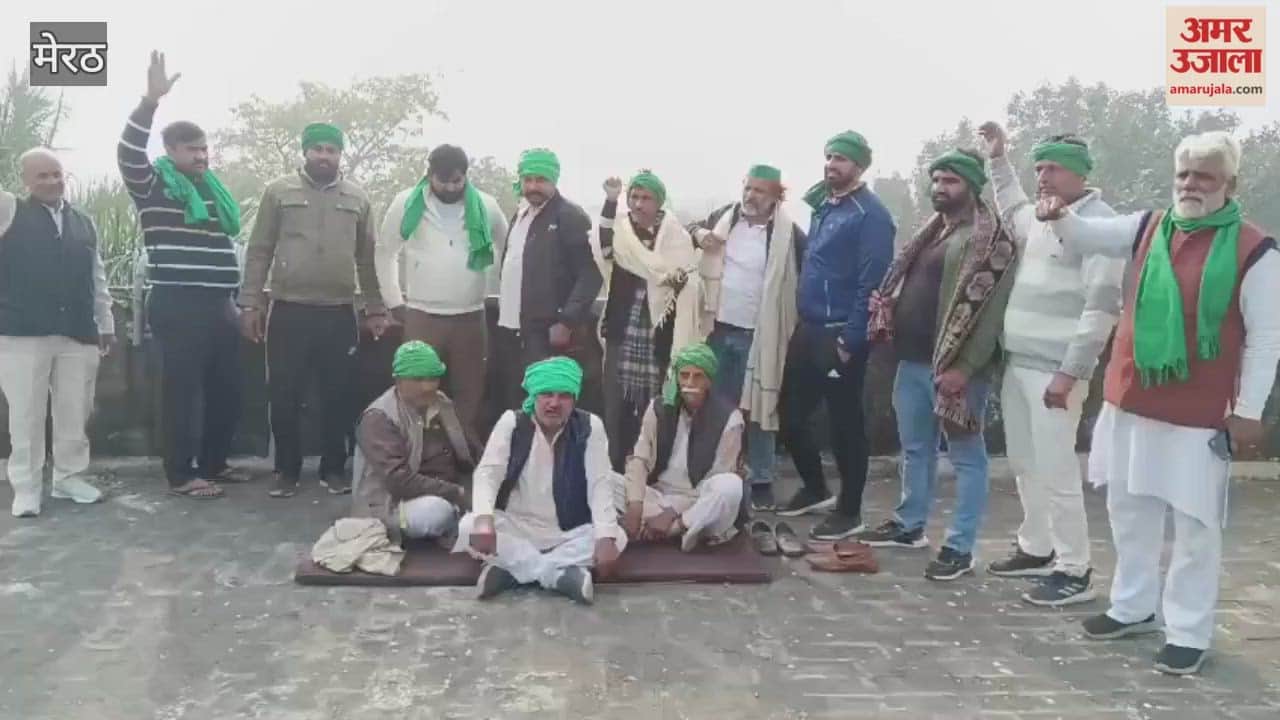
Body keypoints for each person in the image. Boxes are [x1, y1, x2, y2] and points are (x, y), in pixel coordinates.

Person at [1038, 130, 1279, 676]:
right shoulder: (1150, 225)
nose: (1191, 185)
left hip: (1200, 412)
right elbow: (1086, 235)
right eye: (1185, 175)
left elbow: (1267, 339)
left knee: (1195, 525)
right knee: (1129, 509)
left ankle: (1189, 631)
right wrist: (1058, 214)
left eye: (1205, 177)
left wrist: (1248, 411)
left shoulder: (1256, 249)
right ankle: (1132, 606)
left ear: (1229, 184)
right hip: (1131, 399)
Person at [978, 123, 1126, 606]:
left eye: (1053, 168)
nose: (1042, 176)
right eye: (1038, 167)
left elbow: (1102, 306)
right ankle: (1036, 546)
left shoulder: (1099, 225)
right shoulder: (1040, 217)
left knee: (1058, 469)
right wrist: (998, 159)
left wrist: (1071, 372)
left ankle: (1074, 568)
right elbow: (1011, 205)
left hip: (1056, 371)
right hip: (1018, 363)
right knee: (1025, 462)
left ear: (1079, 173)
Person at [858, 149, 1018, 581]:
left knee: (966, 455)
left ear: (970, 185)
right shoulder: (932, 232)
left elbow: (989, 312)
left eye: (950, 181)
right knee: (915, 449)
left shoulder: (990, 239)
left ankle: (960, 547)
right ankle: (910, 526)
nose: (940, 188)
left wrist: (964, 367)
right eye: (936, 180)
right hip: (911, 361)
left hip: (955, 368)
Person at [118, 51, 244, 499]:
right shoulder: (153, 185)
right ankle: (181, 474)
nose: (202, 155)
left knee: (227, 388)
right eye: (192, 149)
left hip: (220, 303)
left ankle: (214, 463)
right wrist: (149, 102)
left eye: (205, 148)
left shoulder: (213, 193)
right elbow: (128, 151)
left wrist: (234, 302)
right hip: (177, 301)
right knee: (182, 394)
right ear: (170, 152)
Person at [239, 122, 387, 498]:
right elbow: (259, 250)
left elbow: (367, 259)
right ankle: (286, 471)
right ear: (305, 152)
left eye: (331, 150)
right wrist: (251, 302)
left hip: (338, 312)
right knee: (284, 392)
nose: (324, 156)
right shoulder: (279, 192)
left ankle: (333, 469)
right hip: (289, 309)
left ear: (341, 154)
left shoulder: (357, 197)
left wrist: (374, 307)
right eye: (317, 149)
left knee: (338, 394)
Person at [777, 131, 895, 539]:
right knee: (789, 414)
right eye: (829, 156)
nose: (832, 164)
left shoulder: (871, 215)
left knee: (845, 425)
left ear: (859, 166)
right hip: (808, 327)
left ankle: (850, 511)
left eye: (841, 159)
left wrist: (851, 338)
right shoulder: (825, 205)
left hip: (841, 333)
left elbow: (873, 282)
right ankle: (815, 487)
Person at [0, 149, 113, 517]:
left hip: (77, 332)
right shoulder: (9, 212)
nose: (51, 182)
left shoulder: (83, 222)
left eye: (56, 174)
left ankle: (68, 478)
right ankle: (27, 487)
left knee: (74, 411)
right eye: (41, 176)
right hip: (22, 333)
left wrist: (105, 323)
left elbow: (97, 278)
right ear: (26, 181)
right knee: (26, 415)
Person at [456, 357, 624, 604]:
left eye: (564, 395)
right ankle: (556, 576)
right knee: (468, 526)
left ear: (574, 399)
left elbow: (600, 484)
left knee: (616, 537)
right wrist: (483, 519)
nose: (554, 403)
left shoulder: (590, 426)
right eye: (546, 394)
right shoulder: (512, 422)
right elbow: (487, 474)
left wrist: (606, 537)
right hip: (517, 525)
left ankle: (511, 571)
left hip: (570, 530)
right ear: (534, 396)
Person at [688, 164, 805, 512]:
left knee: (759, 409)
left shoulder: (788, 234)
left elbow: (802, 275)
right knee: (715, 406)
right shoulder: (726, 217)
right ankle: (716, 473)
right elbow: (690, 229)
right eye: (748, 188)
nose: (751, 196)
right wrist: (698, 235)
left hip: (760, 334)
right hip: (716, 328)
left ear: (775, 197)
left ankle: (762, 479)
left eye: (760, 191)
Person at [375, 144, 509, 441]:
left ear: (466, 176)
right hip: (422, 314)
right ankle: (415, 449)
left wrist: (504, 296)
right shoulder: (405, 203)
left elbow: (508, 250)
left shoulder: (486, 205)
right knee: (415, 386)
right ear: (430, 174)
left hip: (471, 315)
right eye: (443, 180)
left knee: (470, 390)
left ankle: (462, 453)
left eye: (457, 181)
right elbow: (385, 252)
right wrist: (394, 301)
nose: (450, 187)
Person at [597, 170, 701, 472]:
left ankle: (651, 468)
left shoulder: (675, 236)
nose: (639, 204)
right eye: (634, 197)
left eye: (646, 198)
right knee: (615, 404)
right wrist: (610, 200)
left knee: (655, 403)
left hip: (660, 332)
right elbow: (604, 249)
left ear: (659, 203)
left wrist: (671, 281)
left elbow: (687, 278)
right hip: (623, 327)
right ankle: (613, 467)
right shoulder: (621, 232)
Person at [495, 149, 604, 417]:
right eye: (528, 179)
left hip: (547, 334)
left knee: (546, 408)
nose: (533, 186)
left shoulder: (569, 216)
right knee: (516, 406)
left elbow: (591, 273)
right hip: (512, 329)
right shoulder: (520, 215)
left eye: (540, 180)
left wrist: (567, 320)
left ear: (554, 180)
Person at [618, 342, 745, 552]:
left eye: (698, 377)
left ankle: (674, 529)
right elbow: (639, 459)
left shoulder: (730, 419)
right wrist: (635, 505)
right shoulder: (658, 408)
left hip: (699, 505)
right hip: (657, 496)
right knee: (605, 482)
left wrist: (673, 515)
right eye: (684, 375)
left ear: (709, 381)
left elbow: (718, 475)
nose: (690, 383)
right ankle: (649, 526)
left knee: (730, 486)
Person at [351, 341, 477, 546]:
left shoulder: (442, 403)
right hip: (393, 505)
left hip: (445, 491)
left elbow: (468, 452)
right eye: (418, 379)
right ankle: (454, 524)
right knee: (436, 512)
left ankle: (459, 523)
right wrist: (457, 493)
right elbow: (399, 482)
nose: (428, 386)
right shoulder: (379, 417)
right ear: (399, 380)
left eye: (433, 378)